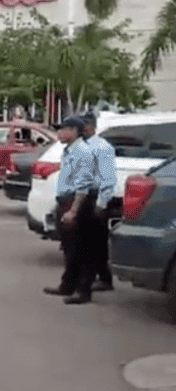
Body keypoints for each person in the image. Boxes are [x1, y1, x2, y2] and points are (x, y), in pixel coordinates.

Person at [43, 116, 98, 304]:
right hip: (67, 200)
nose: (59, 133)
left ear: (74, 131)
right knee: (69, 248)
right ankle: (67, 285)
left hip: (78, 202)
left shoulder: (82, 152)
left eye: (63, 129)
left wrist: (73, 210)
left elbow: (83, 185)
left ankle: (83, 291)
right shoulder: (69, 150)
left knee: (81, 249)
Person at [82, 111, 117, 292]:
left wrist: (102, 203)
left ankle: (96, 281)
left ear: (92, 126)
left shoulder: (102, 147)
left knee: (95, 243)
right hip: (83, 197)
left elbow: (108, 178)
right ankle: (103, 278)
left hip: (96, 198)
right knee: (92, 243)